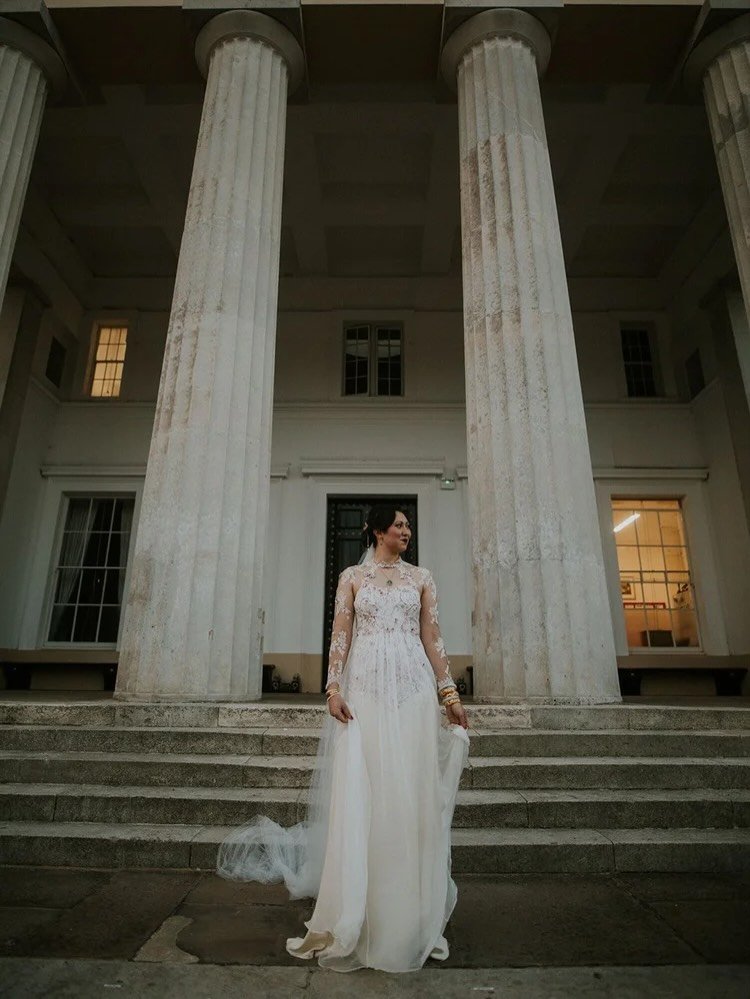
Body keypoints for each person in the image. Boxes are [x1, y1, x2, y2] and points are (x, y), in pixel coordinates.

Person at [217, 504, 470, 972]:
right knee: (365, 789)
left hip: (412, 690)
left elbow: (432, 636)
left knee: (405, 793)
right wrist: (332, 689)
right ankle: (359, 903)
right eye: (398, 525)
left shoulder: (423, 578)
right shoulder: (352, 576)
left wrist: (448, 692)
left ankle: (407, 909)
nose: (406, 531)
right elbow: (341, 632)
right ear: (377, 530)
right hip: (365, 690)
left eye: (408, 525)